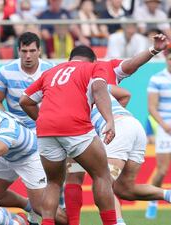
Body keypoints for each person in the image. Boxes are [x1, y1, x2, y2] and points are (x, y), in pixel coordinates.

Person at [64, 34, 170, 225]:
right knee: (124, 189)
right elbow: (126, 91)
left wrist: (110, 123)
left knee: (104, 184)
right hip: (133, 126)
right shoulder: (99, 79)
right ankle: (167, 194)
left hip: (120, 129)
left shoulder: (69, 82)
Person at [19, 45, 117, 225]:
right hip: (75, 126)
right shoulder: (94, 67)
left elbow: (24, 100)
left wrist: (43, 120)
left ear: (70, 59)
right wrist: (109, 120)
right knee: (102, 175)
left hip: (46, 130)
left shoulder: (51, 72)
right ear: (93, 60)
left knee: (53, 183)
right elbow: (99, 89)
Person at [0, 108, 68, 225]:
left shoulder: (7, 129)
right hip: (6, 156)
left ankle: (70, 222)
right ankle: (29, 206)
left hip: (29, 157)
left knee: (40, 207)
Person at [0, 31, 55, 130]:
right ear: (18, 51)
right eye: (24, 51)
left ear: (39, 50)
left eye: (32, 51)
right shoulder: (5, 71)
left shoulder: (52, 70)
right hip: (16, 127)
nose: (28, 56)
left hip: (45, 125)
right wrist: (7, 121)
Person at [146, 47, 171, 219]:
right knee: (162, 170)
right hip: (166, 129)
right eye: (170, 58)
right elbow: (152, 107)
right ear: (165, 59)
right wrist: (164, 125)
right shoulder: (157, 79)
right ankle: (152, 201)